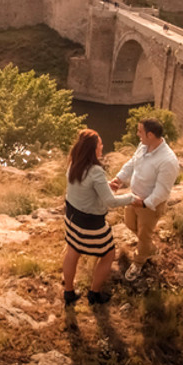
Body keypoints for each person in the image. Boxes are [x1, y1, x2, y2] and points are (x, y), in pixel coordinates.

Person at [63, 128, 144, 307]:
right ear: (93, 149)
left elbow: (83, 187)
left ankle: (68, 292)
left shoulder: (74, 163)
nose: (102, 146)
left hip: (71, 218)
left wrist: (105, 186)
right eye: (100, 144)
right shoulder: (95, 171)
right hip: (90, 224)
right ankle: (94, 294)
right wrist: (132, 198)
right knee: (108, 254)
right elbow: (110, 202)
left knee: (72, 251)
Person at [109, 118, 181, 281]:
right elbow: (132, 164)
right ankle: (150, 248)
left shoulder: (168, 160)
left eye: (140, 131)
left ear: (150, 134)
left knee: (143, 235)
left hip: (149, 204)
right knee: (129, 223)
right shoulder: (144, 146)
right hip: (134, 197)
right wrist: (119, 179)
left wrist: (144, 203)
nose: (137, 134)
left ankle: (139, 262)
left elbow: (163, 190)